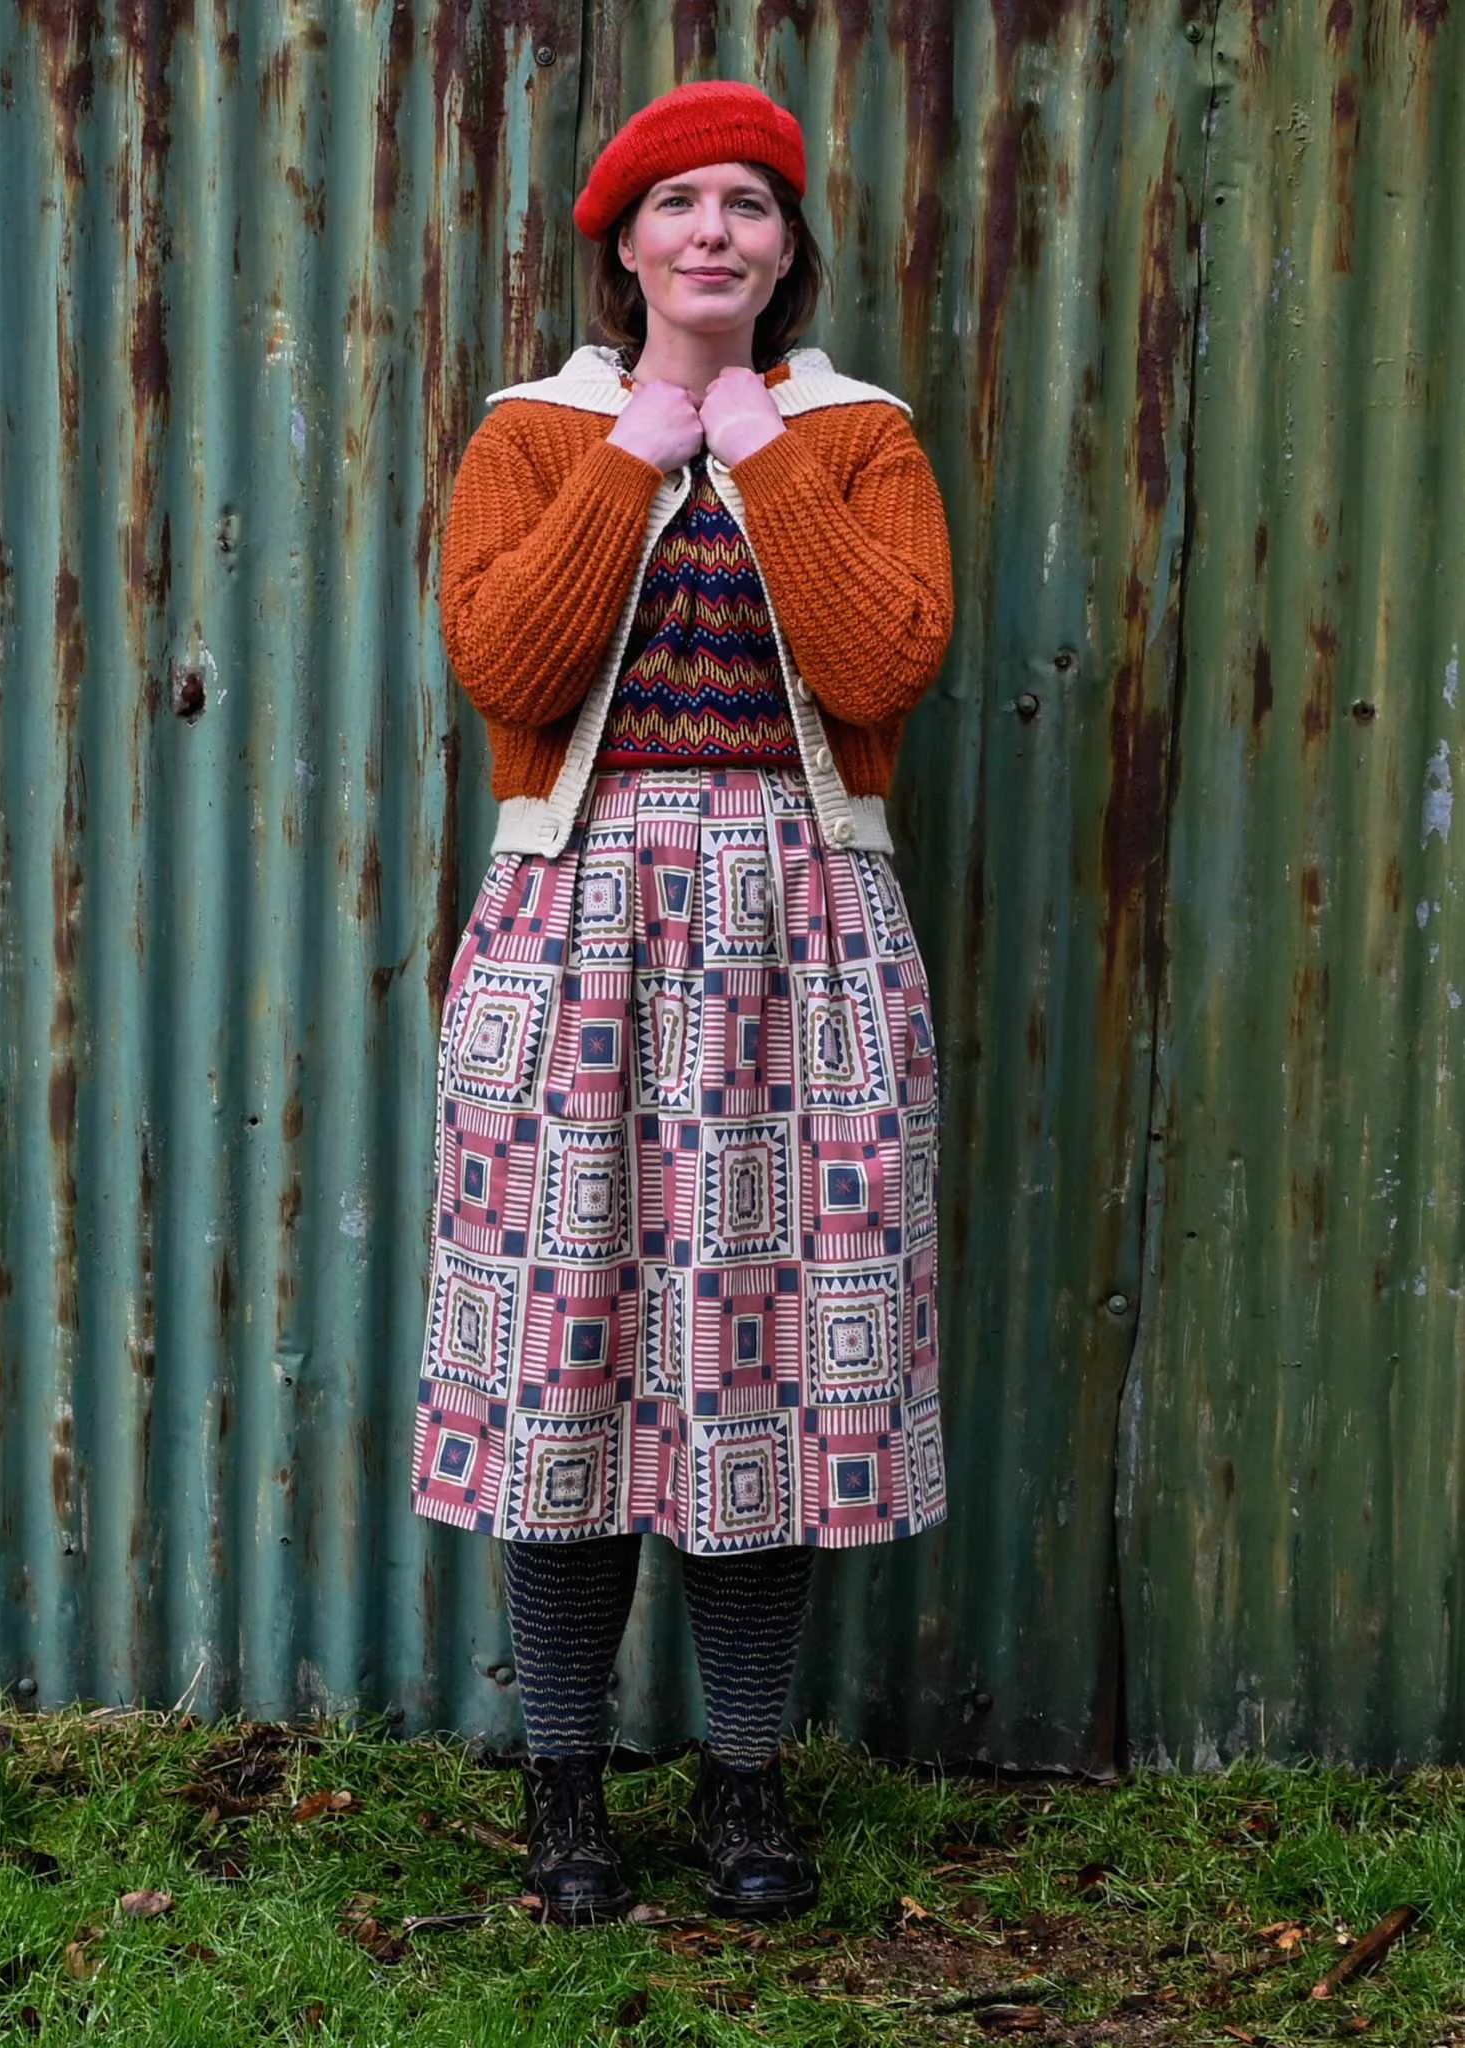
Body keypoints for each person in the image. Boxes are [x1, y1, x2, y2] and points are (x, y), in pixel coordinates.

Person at [413, 79, 953, 1925]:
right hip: (573, 934)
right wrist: (646, 441)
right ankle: (563, 1788)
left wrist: (755, 440)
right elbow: (507, 658)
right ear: (621, 243)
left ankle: (742, 1783)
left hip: (804, 940)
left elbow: (889, 652)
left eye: (748, 203)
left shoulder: (859, 434)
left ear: (789, 246)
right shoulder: (534, 435)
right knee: (564, 1350)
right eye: (676, 205)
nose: (712, 232)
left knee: (768, 1368)